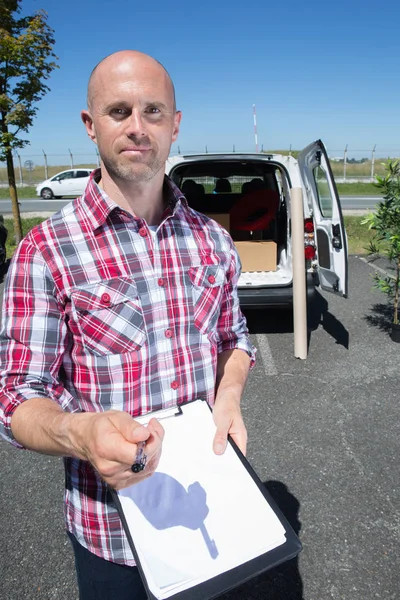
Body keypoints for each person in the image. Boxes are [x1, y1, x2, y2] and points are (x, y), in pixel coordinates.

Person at [0, 50, 255, 600]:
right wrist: (79, 432)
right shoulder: (45, 252)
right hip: (112, 533)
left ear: (175, 123)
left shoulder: (212, 239)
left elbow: (236, 339)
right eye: (119, 111)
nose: (138, 127)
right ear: (91, 126)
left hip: (215, 504)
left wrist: (229, 394)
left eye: (153, 111)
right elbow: (16, 397)